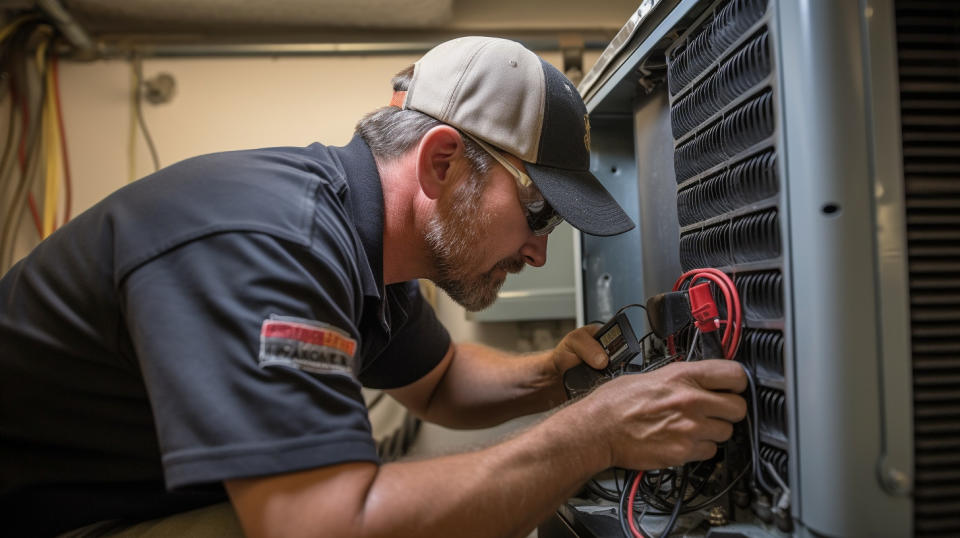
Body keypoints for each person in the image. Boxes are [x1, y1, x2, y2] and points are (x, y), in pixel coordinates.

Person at [0, 36, 746, 537]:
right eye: (537, 212)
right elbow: (323, 525)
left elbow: (441, 382)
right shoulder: (272, 244)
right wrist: (594, 434)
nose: (538, 253)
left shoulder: (364, 248)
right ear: (442, 164)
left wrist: (556, 377)